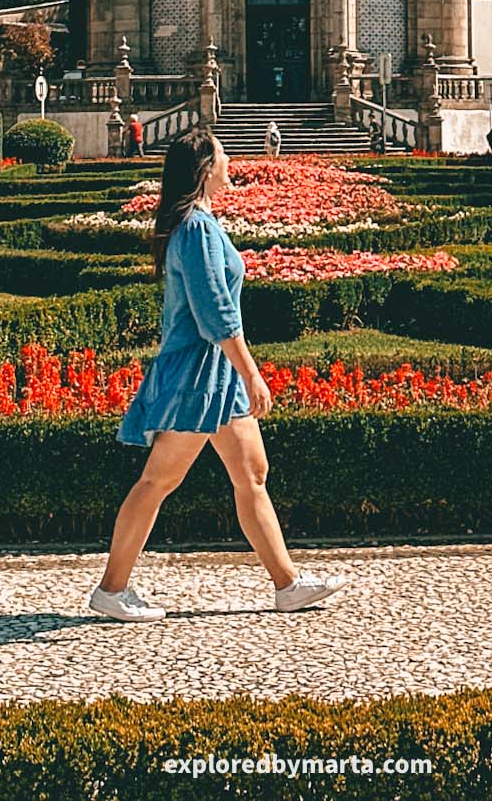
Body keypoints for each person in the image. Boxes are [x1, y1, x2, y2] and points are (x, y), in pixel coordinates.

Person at [89, 133, 343, 622]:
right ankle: (112, 589)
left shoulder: (197, 225)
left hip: (214, 373)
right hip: (198, 373)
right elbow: (215, 312)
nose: (232, 165)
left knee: (252, 473)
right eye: (225, 158)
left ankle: (287, 584)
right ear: (206, 169)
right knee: (159, 480)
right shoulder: (196, 229)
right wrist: (251, 372)